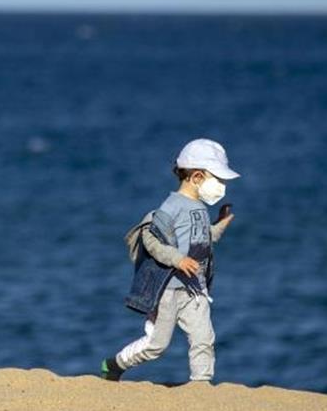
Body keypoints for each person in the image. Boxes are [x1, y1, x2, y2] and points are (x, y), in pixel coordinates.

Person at [101, 139, 239, 384]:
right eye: (217, 179)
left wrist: (220, 224)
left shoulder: (199, 207)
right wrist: (178, 259)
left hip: (195, 289)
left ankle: (201, 383)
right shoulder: (173, 205)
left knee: (203, 338)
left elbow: (203, 242)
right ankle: (114, 364)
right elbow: (150, 239)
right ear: (197, 177)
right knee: (157, 345)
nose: (222, 186)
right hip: (169, 289)